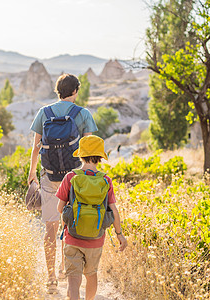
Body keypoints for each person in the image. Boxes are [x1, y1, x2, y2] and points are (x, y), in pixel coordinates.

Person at [28, 73, 98, 293]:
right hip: (75, 178)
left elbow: (36, 148)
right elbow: (88, 151)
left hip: (49, 176)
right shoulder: (83, 113)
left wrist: (32, 173)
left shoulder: (43, 112)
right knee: (71, 226)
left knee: (50, 227)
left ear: (57, 91)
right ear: (75, 91)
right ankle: (63, 269)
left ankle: (50, 279)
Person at [56, 135, 128, 300]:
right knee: (91, 274)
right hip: (96, 238)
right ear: (101, 157)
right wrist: (119, 234)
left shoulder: (70, 177)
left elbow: (59, 208)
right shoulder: (105, 180)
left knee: (73, 278)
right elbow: (113, 210)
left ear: (80, 155)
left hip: (72, 237)